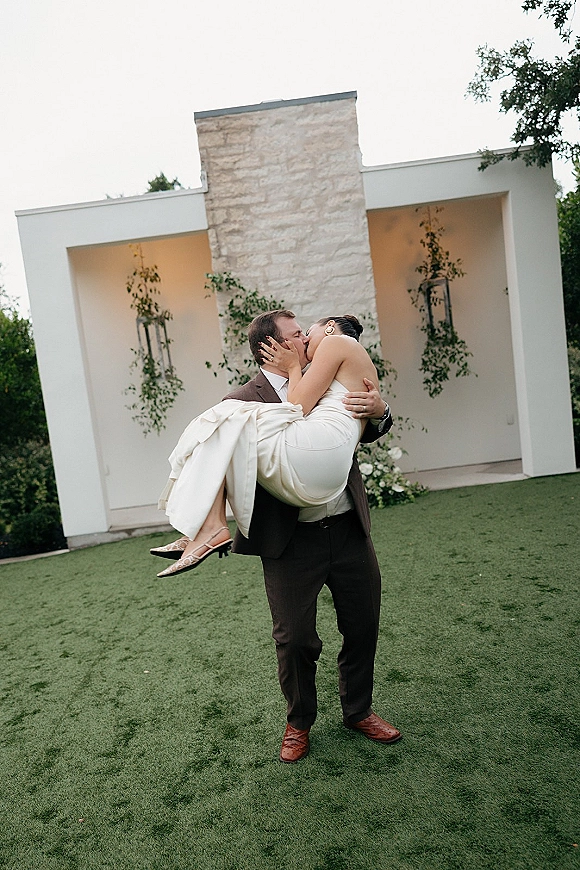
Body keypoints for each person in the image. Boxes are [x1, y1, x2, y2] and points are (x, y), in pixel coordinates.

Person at [153, 310, 401, 761]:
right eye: (295, 335)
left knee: (363, 623)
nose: (305, 339)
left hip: (347, 527)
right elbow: (228, 465)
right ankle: (299, 722)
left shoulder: (324, 374)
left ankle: (359, 710)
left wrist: (381, 411)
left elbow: (361, 429)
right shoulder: (244, 399)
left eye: (305, 333)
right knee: (294, 640)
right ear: (271, 346)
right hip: (291, 543)